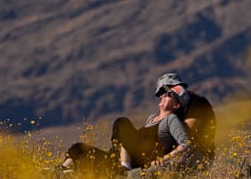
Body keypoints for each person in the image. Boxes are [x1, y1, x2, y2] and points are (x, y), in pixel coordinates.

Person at [62, 72, 216, 173]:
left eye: (166, 93)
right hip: (135, 154)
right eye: (161, 95)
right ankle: (62, 170)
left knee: (122, 125)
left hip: (183, 154)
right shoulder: (156, 119)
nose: (162, 97)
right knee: (79, 149)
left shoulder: (196, 103)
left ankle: (122, 170)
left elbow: (186, 134)